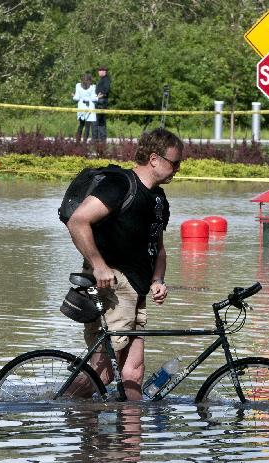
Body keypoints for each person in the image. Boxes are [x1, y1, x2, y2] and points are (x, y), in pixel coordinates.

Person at [66, 128, 183, 400]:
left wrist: (158, 280)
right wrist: (98, 265)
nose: (178, 169)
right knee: (104, 372)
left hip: (138, 289)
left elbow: (159, 247)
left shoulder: (158, 198)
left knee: (134, 372)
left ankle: (131, 442)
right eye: (174, 162)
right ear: (154, 159)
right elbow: (78, 221)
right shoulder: (119, 185)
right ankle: (60, 412)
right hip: (113, 286)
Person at [73, 72, 97, 142]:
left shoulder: (92, 87)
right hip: (84, 107)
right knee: (84, 125)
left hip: (87, 107)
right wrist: (97, 97)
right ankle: (80, 142)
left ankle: (82, 142)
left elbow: (76, 98)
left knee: (84, 125)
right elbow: (77, 98)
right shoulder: (78, 86)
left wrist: (74, 96)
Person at [94, 65, 112, 141]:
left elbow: (106, 90)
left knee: (101, 122)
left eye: (101, 70)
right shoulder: (102, 79)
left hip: (102, 102)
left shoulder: (106, 79)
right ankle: (99, 140)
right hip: (99, 102)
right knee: (99, 122)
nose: (99, 72)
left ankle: (102, 140)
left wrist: (100, 95)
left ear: (104, 71)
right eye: (99, 70)